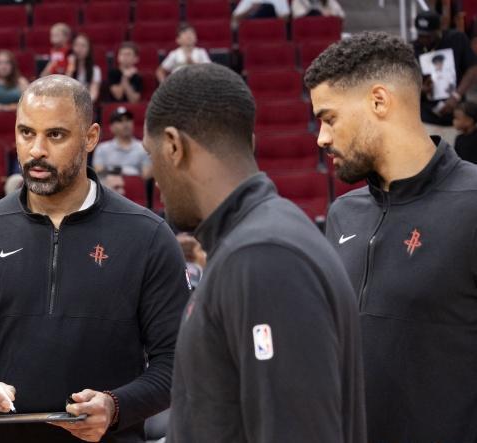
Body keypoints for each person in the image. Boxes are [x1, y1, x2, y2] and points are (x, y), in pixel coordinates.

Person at [0, 75, 190, 443]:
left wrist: (116, 407)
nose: (36, 150)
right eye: (26, 133)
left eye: (55, 135)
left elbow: (177, 362)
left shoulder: (148, 236)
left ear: (91, 137)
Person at [144, 63, 365, 442]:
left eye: (152, 157)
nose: (154, 180)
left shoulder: (262, 257)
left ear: (173, 146)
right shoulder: (257, 240)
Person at [306, 31, 477, 441]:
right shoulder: (343, 213)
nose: (322, 138)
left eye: (330, 118)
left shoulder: (472, 202)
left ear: (379, 101)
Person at [413, 10, 477, 145]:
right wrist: (421, 89)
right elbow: (405, 84)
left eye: (429, 36)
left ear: (439, 30)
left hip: (456, 119)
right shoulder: (414, 48)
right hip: (426, 119)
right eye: (421, 35)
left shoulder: (456, 39)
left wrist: (456, 96)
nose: (424, 40)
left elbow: (472, 68)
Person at [93, 107, 151, 178]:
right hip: (109, 184)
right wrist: (128, 171)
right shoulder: (102, 149)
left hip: (135, 184)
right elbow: (99, 174)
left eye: (128, 120)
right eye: (119, 121)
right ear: (112, 127)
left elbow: (146, 177)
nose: (125, 124)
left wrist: (115, 171)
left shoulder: (143, 147)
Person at [67, 34, 102, 103]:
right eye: (76, 45)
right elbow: (64, 89)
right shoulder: (67, 66)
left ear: (89, 49)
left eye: (83, 46)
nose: (79, 49)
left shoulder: (95, 70)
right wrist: (71, 67)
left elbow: (93, 95)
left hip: (85, 105)